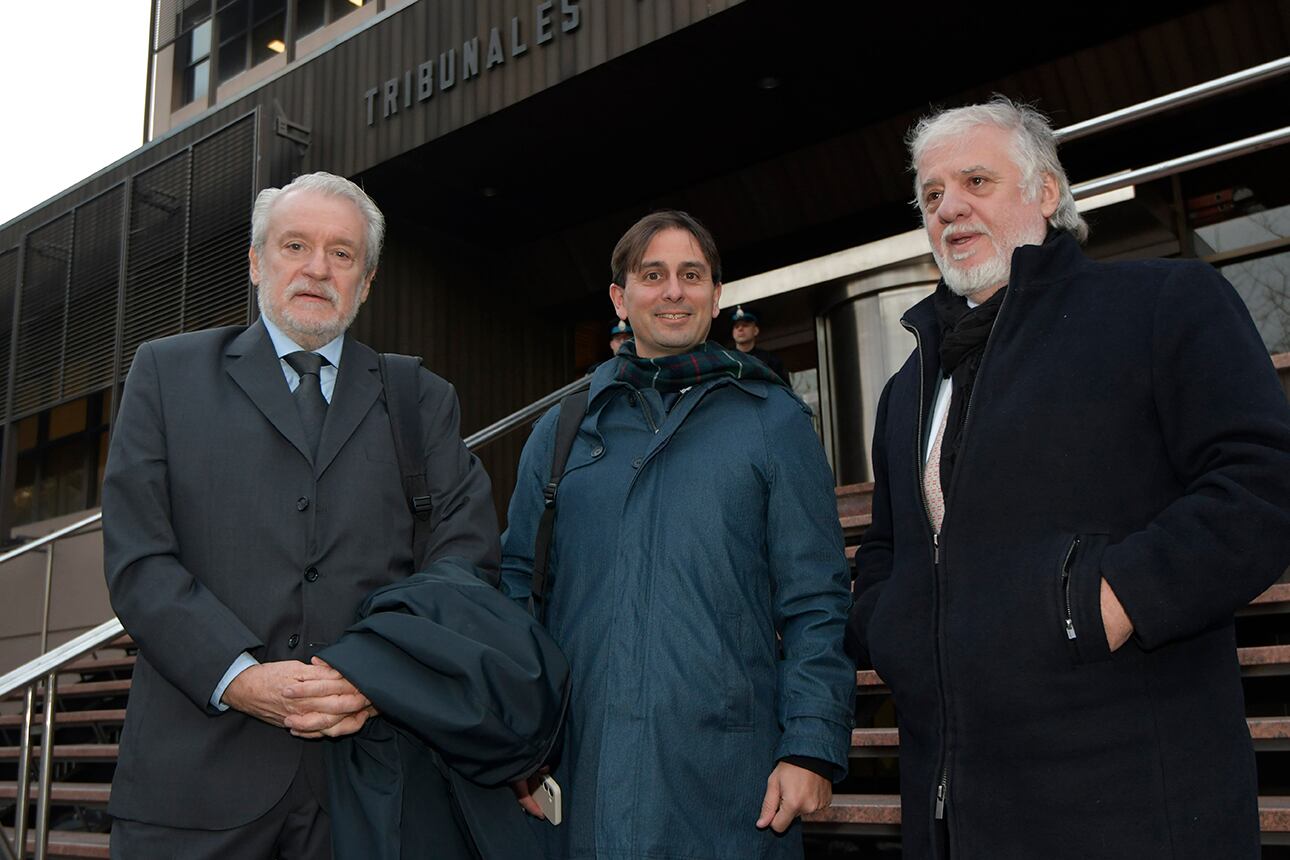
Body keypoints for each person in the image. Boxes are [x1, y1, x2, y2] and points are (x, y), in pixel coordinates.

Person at [846, 97, 1290, 858]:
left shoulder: (1162, 304)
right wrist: (895, 635)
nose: (949, 207)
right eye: (931, 194)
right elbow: (889, 553)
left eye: (976, 181)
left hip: (1133, 804)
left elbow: (1260, 484)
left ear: (1046, 192)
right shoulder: (908, 386)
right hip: (954, 811)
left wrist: (1109, 601)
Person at [101, 171, 500, 859]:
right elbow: (140, 559)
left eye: (342, 254)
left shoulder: (421, 400)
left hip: (370, 788)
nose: (318, 268)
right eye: (294, 246)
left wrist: (377, 677)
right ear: (257, 262)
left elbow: (464, 561)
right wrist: (240, 677)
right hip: (193, 788)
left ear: (366, 281)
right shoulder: (165, 375)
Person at [501, 210, 854, 859]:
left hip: (729, 778)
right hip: (580, 769)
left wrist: (810, 743)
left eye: (691, 275)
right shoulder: (560, 435)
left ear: (716, 295)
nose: (673, 291)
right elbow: (519, 592)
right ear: (619, 297)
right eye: (653, 275)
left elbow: (817, 599)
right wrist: (518, 740)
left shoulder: (772, 420)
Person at [729, 305, 790, 383]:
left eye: (745, 325)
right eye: (736, 327)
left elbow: (783, 388)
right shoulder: (727, 359)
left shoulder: (771, 361)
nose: (740, 329)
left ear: (755, 330)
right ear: (733, 333)